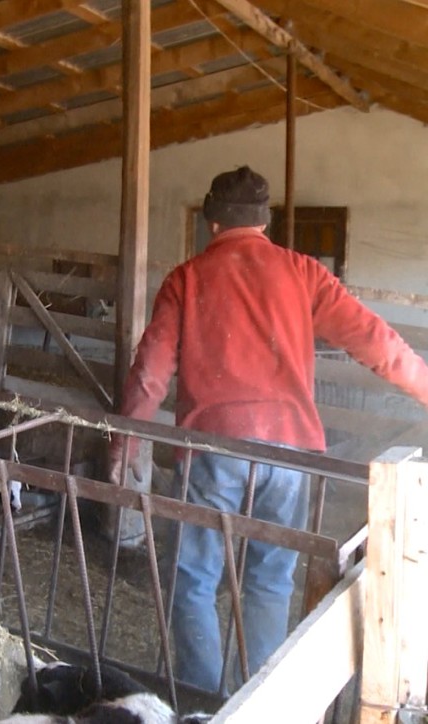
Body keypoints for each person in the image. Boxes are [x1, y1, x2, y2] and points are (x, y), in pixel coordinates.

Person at [109, 165, 428, 693]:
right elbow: (373, 338)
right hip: (290, 455)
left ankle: (203, 701)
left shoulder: (187, 278)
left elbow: (150, 372)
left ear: (212, 222)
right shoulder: (303, 272)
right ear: (263, 223)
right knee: (270, 581)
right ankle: (259, 703)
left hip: (212, 447)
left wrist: (127, 442)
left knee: (192, 578)